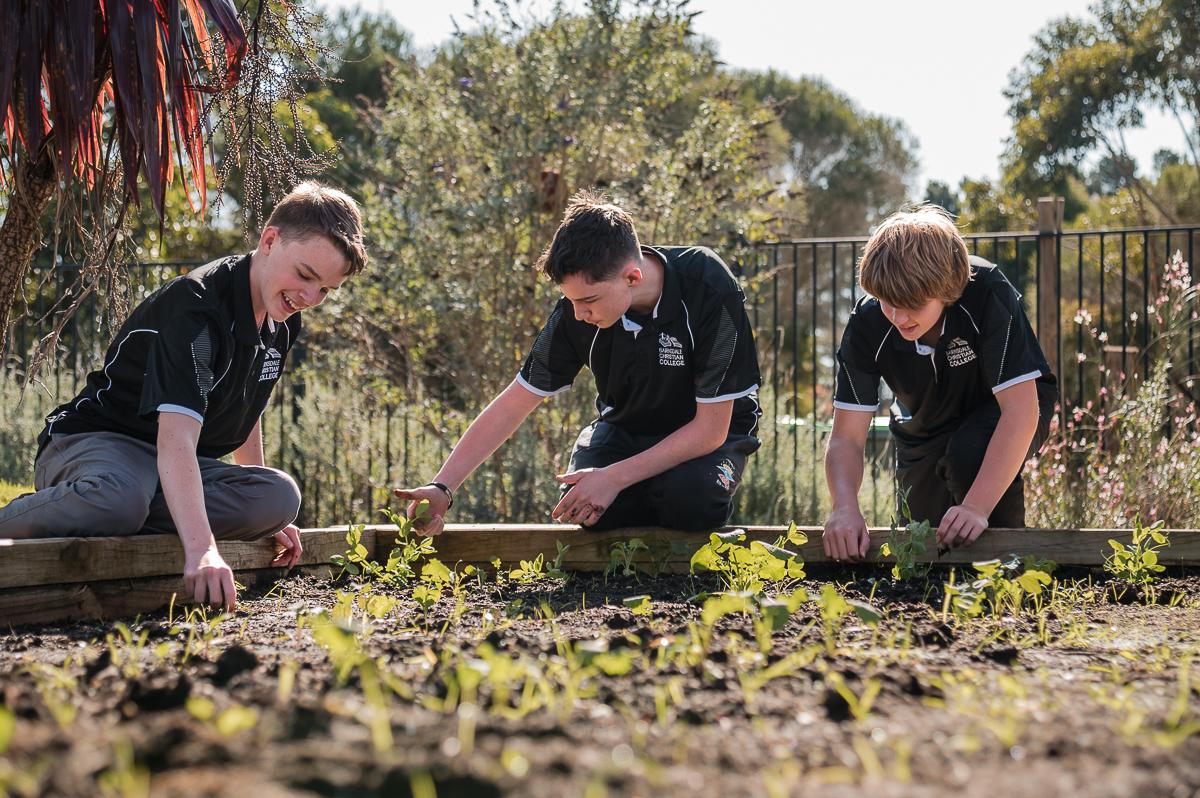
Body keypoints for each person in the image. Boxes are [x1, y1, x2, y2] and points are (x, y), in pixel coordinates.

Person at [0, 182, 368, 610]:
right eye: (305, 275)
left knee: (279, 497)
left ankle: (139, 508)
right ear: (270, 240)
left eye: (325, 290)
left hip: (168, 470)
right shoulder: (195, 307)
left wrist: (270, 520)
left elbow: (248, 407)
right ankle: (91, 508)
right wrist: (202, 549)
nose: (309, 298)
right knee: (120, 498)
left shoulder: (283, 319)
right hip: (96, 443)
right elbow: (174, 438)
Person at [395, 190, 761, 534]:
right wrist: (443, 486)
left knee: (690, 500)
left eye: (588, 301)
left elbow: (711, 430)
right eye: (570, 301)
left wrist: (614, 478)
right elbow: (516, 400)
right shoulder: (577, 309)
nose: (579, 314)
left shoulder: (708, 285)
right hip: (626, 429)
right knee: (588, 511)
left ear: (632, 277)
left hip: (711, 438)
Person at [823, 205, 1057, 561]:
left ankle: (1010, 569)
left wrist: (976, 507)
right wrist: (843, 508)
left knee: (970, 455)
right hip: (927, 420)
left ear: (947, 289)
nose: (898, 317)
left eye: (912, 304)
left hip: (1006, 408)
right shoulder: (867, 324)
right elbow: (846, 437)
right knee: (921, 544)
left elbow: (1021, 413)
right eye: (887, 302)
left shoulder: (988, 292)